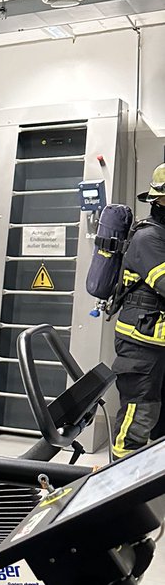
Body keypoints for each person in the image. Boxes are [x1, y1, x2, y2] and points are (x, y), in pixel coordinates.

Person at [111, 164, 165, 457]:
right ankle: (116, 491)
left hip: (158, 344)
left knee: (157, 418)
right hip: (141, 346)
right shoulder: (149, 239)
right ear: (160, 200)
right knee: (138, 418)